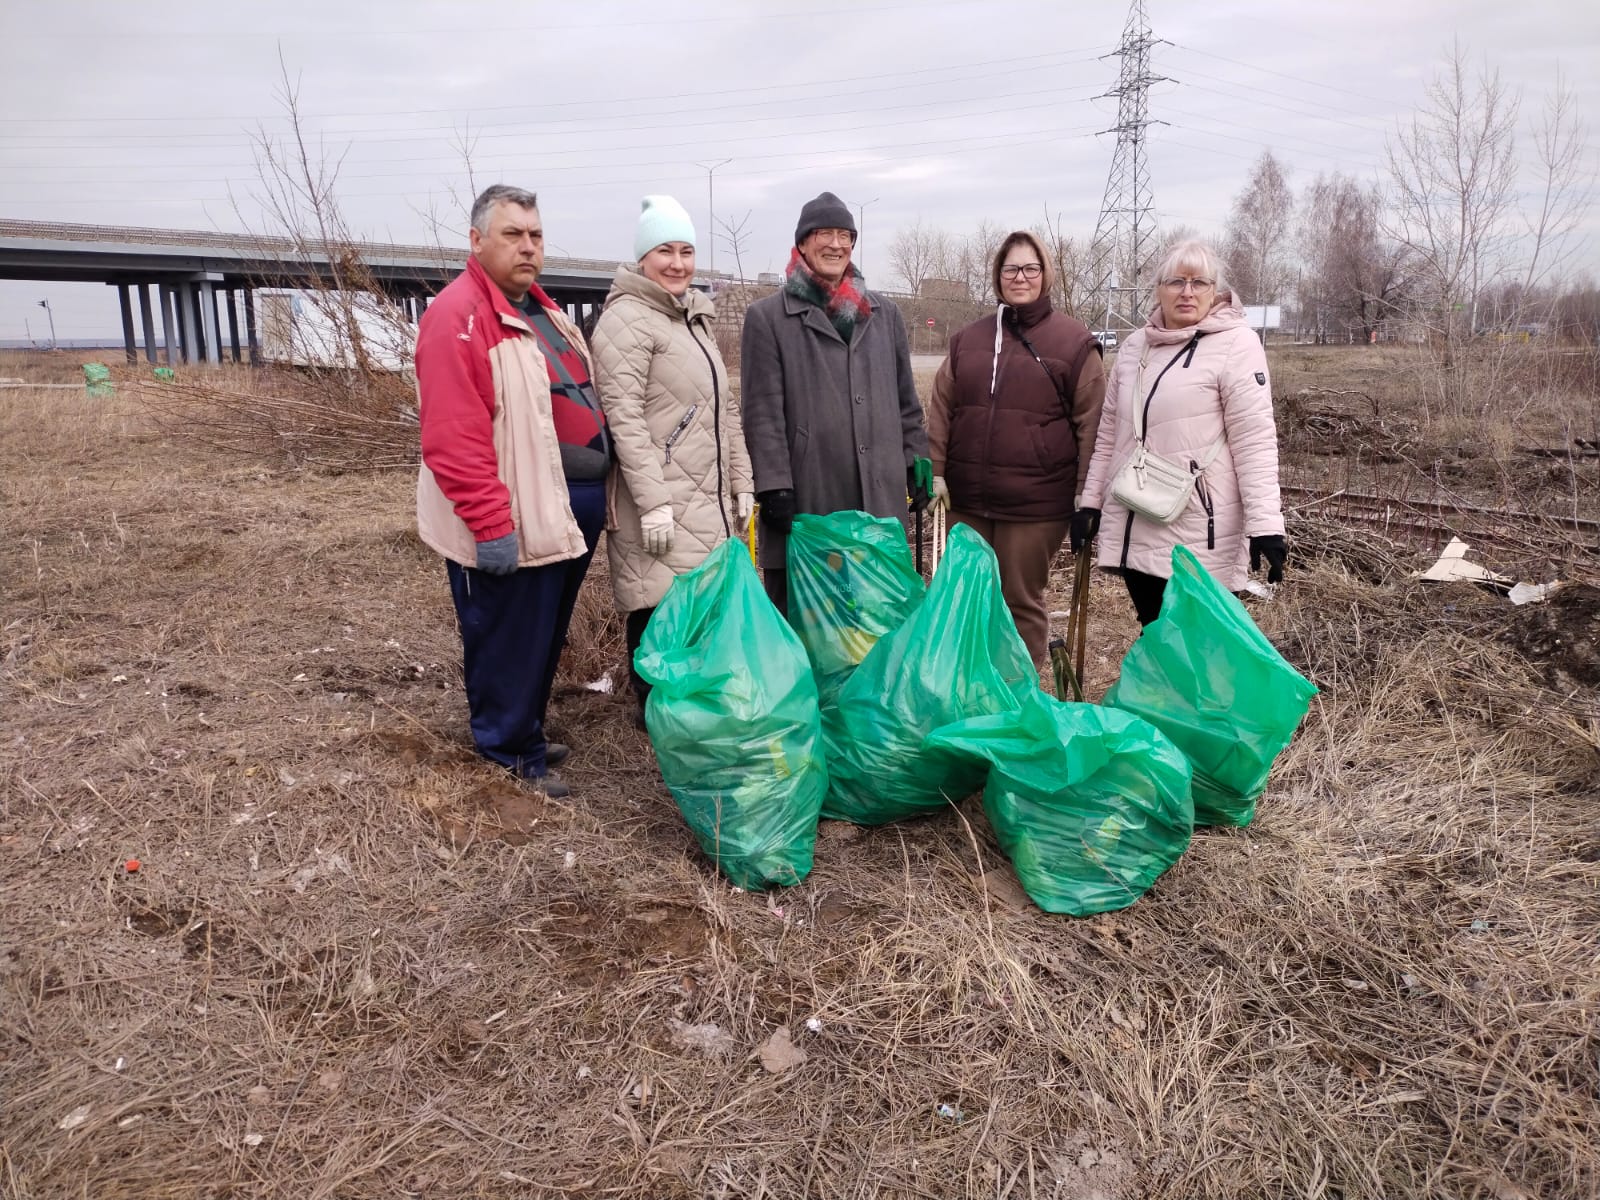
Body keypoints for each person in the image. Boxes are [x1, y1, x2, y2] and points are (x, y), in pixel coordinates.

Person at [414, 184, 611, 797]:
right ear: (477, 241)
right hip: (514, 510)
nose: (528, 246)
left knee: (541, 632)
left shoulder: (543, 312)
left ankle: (526, 729)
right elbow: (454, 435)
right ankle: (508, 754)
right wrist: (489, 522)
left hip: (562, 507)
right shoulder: (458, 317)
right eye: (512, 234)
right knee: (507, 634)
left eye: (535, 235)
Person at [589, 195, 754, 724]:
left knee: (697, 608)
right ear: (643, 257)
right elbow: (624, 417)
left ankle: (690, 714)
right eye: (665, 250)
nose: (678, 263)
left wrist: (743, 481)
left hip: (705, 495)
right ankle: (656, 718)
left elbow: (725, 410)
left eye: (686, 251)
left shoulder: (692, 319)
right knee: (657, 603)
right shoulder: (626, 321)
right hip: (660, 497)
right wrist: (653, 502)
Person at [740, 190, 931, 615]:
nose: (836, 244)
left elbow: (907, 402)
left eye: (845, 236)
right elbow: (762, 414)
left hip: (878, 503)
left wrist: (916, 463)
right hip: (811, 501)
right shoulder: (769, 318)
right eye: (824, 234)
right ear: (802, 243)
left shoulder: (885, 315)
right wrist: (774, 486)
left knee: (878, 623)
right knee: (809, 626)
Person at [1077, 239, 1287, 625]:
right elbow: (1109, 436)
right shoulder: (1134, 347)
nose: (1187, 292)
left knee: (1199, 644)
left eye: (1199, 282)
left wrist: (1266, 526)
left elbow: (1254, 441)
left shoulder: (1237, 345)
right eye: (1176, 281)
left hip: (1199, 530)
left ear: (1215, 291)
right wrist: (1090, 504)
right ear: (1158, 289)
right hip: (1136, 517)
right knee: (1156, 635)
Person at [926, 230, 1105, 666]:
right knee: (969, 596)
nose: (1020, 277)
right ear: (998, 276)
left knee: (1019, 600)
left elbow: (1093, 424)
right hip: (968, 499)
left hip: (1035, 505)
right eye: (1011, 269)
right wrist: (937, 471)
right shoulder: (969, 339)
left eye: (1030, 268)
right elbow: (942, 407)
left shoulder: (1074, 343)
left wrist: (1087, 495)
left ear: (1045, 274)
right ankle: (971, 686)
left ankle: (1017, 695)